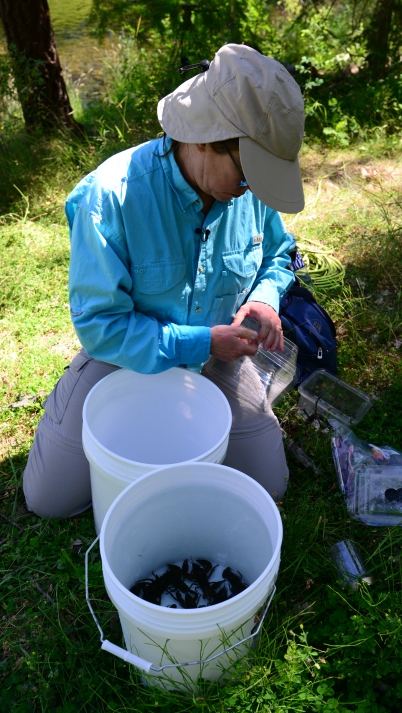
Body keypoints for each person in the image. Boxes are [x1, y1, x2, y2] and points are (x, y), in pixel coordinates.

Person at [23, 43, 305, 518]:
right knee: (49, 500)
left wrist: (265, 299)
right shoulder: (111, 196)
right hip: (126, 359)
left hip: (221, 356)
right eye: (246, 175)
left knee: (270, 485)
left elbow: (279, 253)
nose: (253, 190)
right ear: (203, 139)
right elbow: (102, 327)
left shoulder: (246, 191)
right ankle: (75, 397)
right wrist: (202, 342)